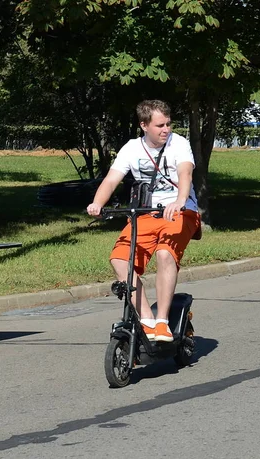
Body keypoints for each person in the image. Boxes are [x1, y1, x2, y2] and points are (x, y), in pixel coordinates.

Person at [87, 99, 201, 342]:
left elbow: (185, 174)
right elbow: (110, 180)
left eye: (168, 124)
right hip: (146, 213)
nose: (166, 129)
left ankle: (163, 323)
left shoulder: (179, 143)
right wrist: (97, 203)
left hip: (180, 212)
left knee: (164, 254)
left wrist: (179, 200)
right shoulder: (131, 148)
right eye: (160, 125)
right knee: (119, 260)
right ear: (144, 125)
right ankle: (147, 319)